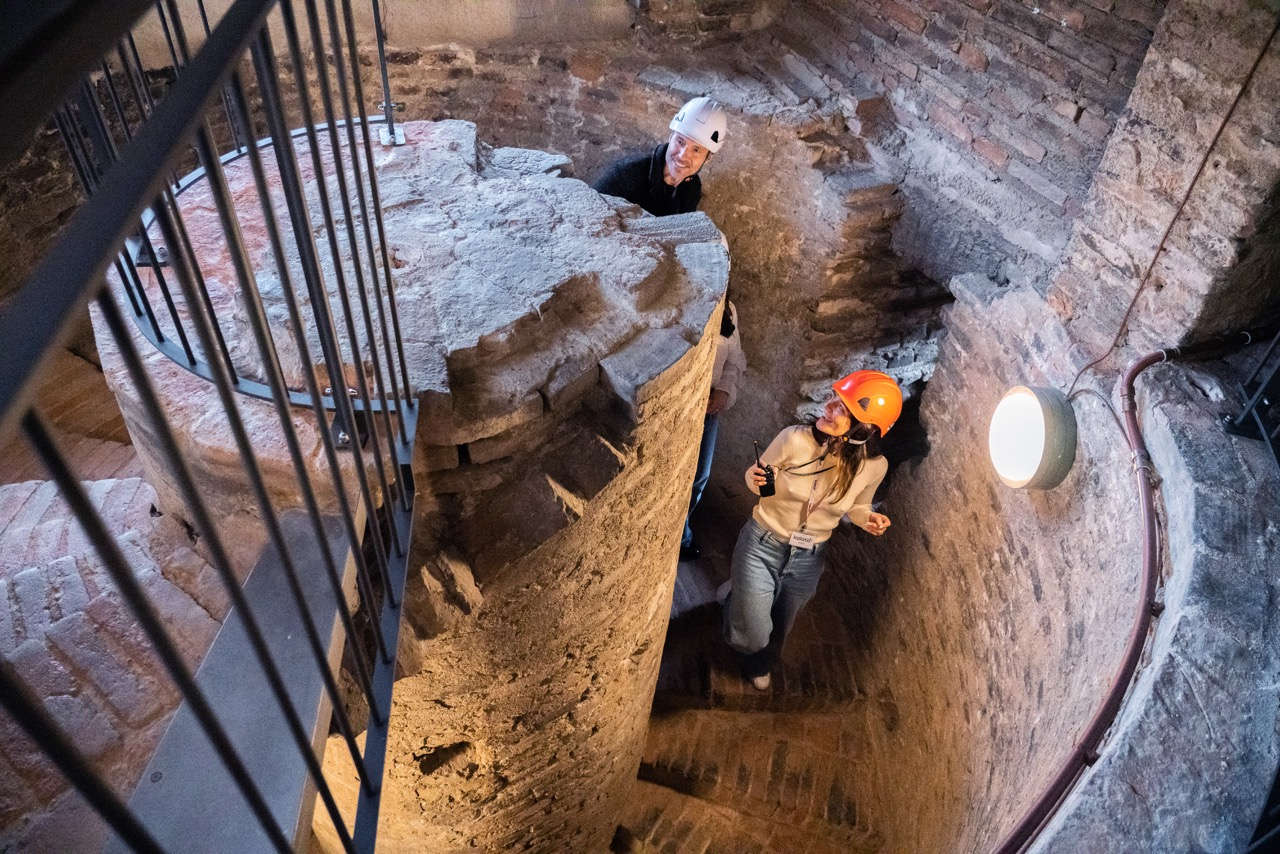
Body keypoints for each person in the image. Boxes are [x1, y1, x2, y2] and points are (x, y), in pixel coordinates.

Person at [721, 370, 902, 691]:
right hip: (762, 542)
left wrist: (867, 518)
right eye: (834, 399)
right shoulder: (794, 438)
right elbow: (758, 475)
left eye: (843, 410)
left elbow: (858, 506)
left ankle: (760, 665)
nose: (829, 408)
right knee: (752, 634)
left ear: (864, 430)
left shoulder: (875, 467)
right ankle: (737, 606)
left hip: (808, 556)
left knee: (782, 624)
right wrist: (755, 478)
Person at [681, 299, 746, 561]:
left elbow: (734, 359)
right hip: (682, 406)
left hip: (708, 407)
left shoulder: (727, 309)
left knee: (698, 476)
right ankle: (681, 540)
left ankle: (680, 533)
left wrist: (723, 391)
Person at [591, 96, 727, 216]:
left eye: (696, 150)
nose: (682, 155)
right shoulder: (626, 174)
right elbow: (588, 214)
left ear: (708, 158)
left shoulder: (692, 187)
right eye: (680, 141)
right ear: (671, 136)